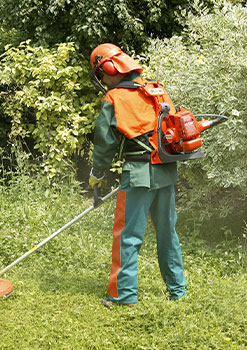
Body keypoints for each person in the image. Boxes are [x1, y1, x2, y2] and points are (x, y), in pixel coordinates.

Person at [88, 43, 187, 308]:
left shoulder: (115, 98)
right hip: (166, 171)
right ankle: (178, 290)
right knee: (167, 233)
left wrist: (97, 173)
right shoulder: (156, 88)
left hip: (139, 175)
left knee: (128, 235)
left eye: (101, 75)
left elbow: (105, 142)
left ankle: (124, 295)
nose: (103, 81)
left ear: (109, 69)